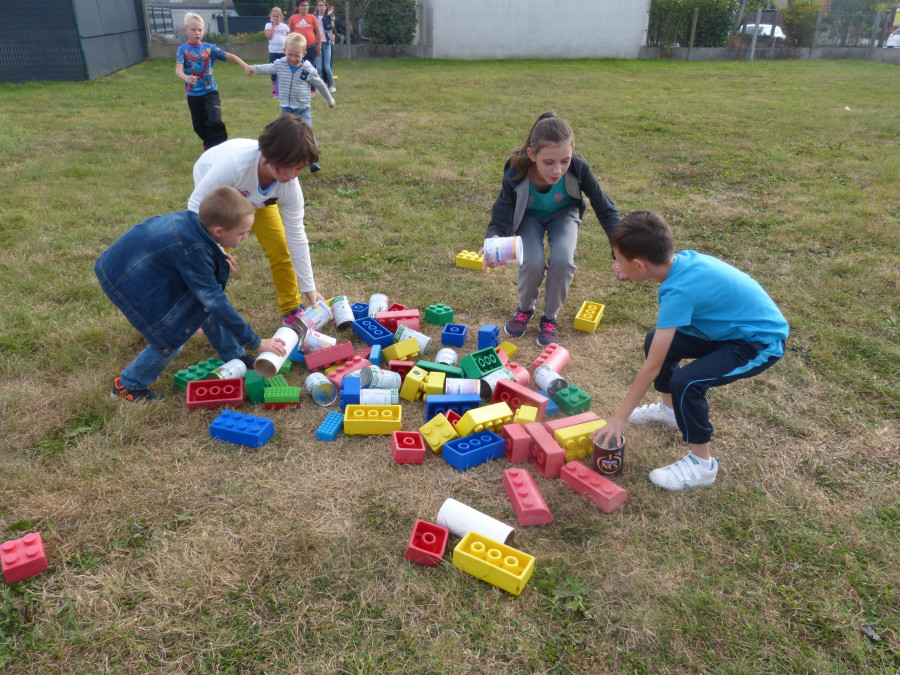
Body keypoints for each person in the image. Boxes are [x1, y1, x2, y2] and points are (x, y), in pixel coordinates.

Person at [590, 211, 789, 491]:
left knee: (687, 382)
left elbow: (652, 367)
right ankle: (670, 411)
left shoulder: (678, 292)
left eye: (619, 260)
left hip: (758, 341)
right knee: (655, 339)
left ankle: (702, 465)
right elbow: (661, 340)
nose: (617, 265)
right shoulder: (680, 263)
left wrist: (619, 418)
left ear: (639, 265)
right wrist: (629, 269)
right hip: (727, 330)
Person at [96, 187, 288, 402]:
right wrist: (254, 341)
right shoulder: (193, 249)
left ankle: (234, 354)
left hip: (135, 262)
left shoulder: (195, 224)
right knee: (172, 334)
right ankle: (128, 386)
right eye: (242, 233)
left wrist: (218, 257)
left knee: (199, 306)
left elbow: (199, 256)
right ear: (219, 231)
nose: (245, 237)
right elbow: (214, 300)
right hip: (127, 276)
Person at [485, 112, 623, 346]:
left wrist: (622, 251)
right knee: (532, 262)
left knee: (563, 261)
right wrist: (494, 240)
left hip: (564, 214)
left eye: (564, 161)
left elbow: (606, 209)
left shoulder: (578, 167)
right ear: (532, 155)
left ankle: (549, 318)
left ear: (572, 153)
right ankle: (525, 309)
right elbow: (501, 214)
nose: (557, 170)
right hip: (529, 216)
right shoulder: (515, 171)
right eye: (548, 162)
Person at [188, 114, 326, 330]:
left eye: (300, 167)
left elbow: (296, 235)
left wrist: (309, 287)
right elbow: (195, 207)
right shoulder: (233, 166)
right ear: (270, 154)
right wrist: (218, 251)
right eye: (288, 166)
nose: (292, 174)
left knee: (280, 249)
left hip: (260, 200)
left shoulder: (288, 185)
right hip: (223, 193)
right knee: (215, 258)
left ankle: (291, 309)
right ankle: (199, 310)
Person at [248, 33, 335, 174]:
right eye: (289, 55)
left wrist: (330, 100)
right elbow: (268, 68)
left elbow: (320, 84)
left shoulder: (308, 69)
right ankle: (285, 158)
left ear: (304, 54)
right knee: (286, 135)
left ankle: (313, 161)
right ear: (284, 51)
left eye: (297, 56)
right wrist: (254, 68)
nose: (293, 59)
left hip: (303, 109)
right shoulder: (281, 64)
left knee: (307, 135)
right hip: (287, 109)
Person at [175, 13, 251, 150]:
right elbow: (178, 70)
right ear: (185, 30)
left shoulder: (209, 48)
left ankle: (222, 147)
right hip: (193, 95)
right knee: (198, 126)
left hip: (210, 92)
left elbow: (230, 56)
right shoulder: (182, 49)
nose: (197, 33)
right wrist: (186, 77)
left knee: (215, 120)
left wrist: (245, 66)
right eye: (193, 29)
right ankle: (209, 143)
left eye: (200, 29)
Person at [289, 0, 323, 76]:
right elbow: (291, 34)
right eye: (302, 5)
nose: (305, 7)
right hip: (298, 48)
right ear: (298, 7)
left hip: (311, 48)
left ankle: (311, 84)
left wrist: (319, 47)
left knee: (311, 69)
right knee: (298, 68)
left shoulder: (312, 17)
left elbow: (318, 33)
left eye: (306, 5)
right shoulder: (293, 18)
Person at [264, 7, 291, 99]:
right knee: (274, 70)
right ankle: (275, 90)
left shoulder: (284, 27)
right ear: (270, 17)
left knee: (284, 70)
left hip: (283, 52)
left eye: (277, 16)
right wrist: (273, 26)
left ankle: (284, 89)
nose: (275, 18)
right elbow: (268, 37)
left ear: (281, 18)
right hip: (273, 51)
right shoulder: (268, 25)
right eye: (273, 16)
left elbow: (290, 37)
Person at [314, 0, 336, 91]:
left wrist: (327, 16)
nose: (321, 7)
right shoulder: (314, 17)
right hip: (317, 44)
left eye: (323, 5)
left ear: (326, 7)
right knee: (318, 68)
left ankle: (332, 85)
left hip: (326, 44)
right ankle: (319, 87)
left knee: (327, 67)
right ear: (317, 7)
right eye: (319, 5)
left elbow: (329, 27)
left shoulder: (328, 17)